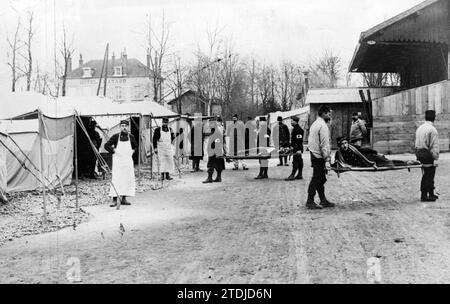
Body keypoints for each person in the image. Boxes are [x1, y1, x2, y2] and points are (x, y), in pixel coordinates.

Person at [104, 120, 137, 207]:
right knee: (116, 179)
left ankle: (124, 198)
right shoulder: (115, 137)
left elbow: (135, 146)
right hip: (118, 162)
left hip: (127, 162)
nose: (124, 127)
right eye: (122, 126)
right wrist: (113, 150)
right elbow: (106, 145)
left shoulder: (131, 137)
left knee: (126, 179)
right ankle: (114, 199)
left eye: (125, 126)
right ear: (120, 127)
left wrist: (132, 151)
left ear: (128, 127)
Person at [306, 106, 334, 210]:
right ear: (323, 114)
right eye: (328, 114)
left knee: (321, 178)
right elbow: (324, 145)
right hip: (319, 156)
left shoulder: (315, 124)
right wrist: (327, 160)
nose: (329, 116)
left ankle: (323, 200)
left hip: (314, 154)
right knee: (317, 178)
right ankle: (309, 201)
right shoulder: (323, 126)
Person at [332, 136, 417, 169]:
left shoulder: (353, 147)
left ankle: (407, 163)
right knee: (387, 163)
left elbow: (365, 149)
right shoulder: (338, 153)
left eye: (346, 143)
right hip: (363, 164)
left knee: (388, 163)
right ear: (339, 145)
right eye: (342, 144)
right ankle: (406, 163)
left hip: (370, 158)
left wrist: (376, 153)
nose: (345, 145)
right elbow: (337, 163)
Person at [415, 110, 439, 202]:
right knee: (429, 174)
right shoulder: (432, 130)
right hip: (426, 153)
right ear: (434, 118)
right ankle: (425, 195)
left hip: (419, 152)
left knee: (426, 173)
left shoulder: (420, 128)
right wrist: (435, 156)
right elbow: (433, 146)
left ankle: (430, 193)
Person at [203, 116, 227, 183]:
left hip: (215, 152)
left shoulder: (216, 133)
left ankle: (210, 178)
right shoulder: (214, 132)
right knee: (218, 165)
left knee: (211, 165)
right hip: (215, 151)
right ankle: (218, 178)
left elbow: (218, 143)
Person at [285, 116, 304, 181]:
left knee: (295, 161)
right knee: (299, 160)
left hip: (297, 148)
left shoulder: (298, 130)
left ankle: (292, 175)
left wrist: (298, 149)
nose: (291, 122)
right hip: (296, 147)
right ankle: (300, 174)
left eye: (292, 121)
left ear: (295, 121)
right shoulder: (296, 128)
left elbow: (299, 140)